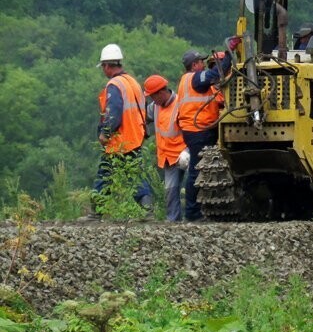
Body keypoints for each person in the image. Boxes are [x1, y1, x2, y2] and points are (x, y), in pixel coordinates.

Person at [82, 44, 153, 221]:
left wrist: (105, 132)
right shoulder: (132, 82)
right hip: (135, 137)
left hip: (119, 140)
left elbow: (113, 112)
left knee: (104, 174)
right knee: (134, 175)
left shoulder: (114, 84)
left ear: (107, 65)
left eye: (103, 67)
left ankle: (95, 213)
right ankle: (147, 209)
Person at [177, 49, 231, 222]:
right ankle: (192, 213)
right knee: (195, 171)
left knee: (197, 169)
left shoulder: (186, 80)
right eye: (201, 62)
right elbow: (215, 74)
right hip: (198, 130)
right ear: (194, 65)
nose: (202, 65)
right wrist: (230, 56)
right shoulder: (194, 78)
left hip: (194, 129)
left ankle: (195, 211)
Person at [144, 75, 187, 222]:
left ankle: (198, 218)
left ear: (161, 92)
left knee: (196, 186)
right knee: (170, 191)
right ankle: (173, 223)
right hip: (168, 157)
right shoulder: (155, 107)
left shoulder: (180, 104)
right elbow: (143, 117)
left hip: (184, 153)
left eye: (152, 96)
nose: (151, 100)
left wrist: (187, 151)